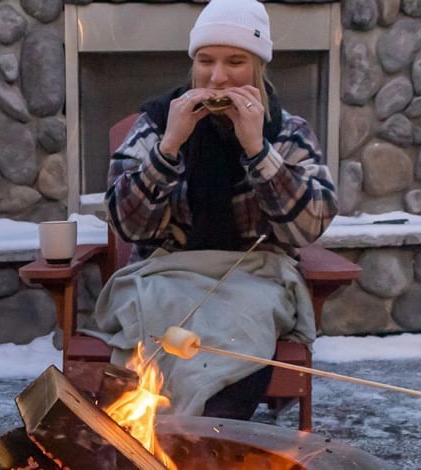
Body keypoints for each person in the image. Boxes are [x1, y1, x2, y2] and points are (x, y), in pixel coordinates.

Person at [96, 0, 338, 421]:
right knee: (160, 324)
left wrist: (258, 151)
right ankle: (149, 447)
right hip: (165, 273)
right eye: (205, 60)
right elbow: (126, 224)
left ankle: (206, 446)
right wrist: (168, 147)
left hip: (255, 276)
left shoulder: (287, 132)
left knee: (238, 331)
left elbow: (310, 226)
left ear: (258, 66)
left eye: (236, 61)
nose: (218, 76)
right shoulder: (155, 125)